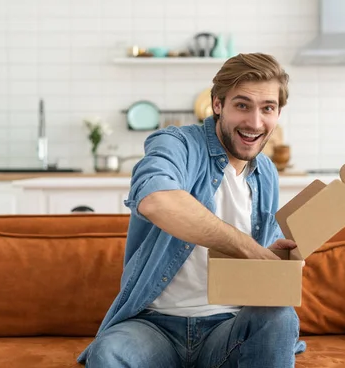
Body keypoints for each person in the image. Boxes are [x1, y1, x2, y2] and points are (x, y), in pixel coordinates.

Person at [78, 53, 305, 368]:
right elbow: (156, 199)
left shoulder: (266, 172)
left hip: (229, 327)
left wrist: (271, 256)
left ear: (278, 112)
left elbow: (257, 261)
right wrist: (248, 248)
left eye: (267, 108)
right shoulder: (176, 145)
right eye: (242, 105)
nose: (255, 122)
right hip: (154, 326)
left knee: (280, 314)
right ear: (217, 105)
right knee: (110, 352)